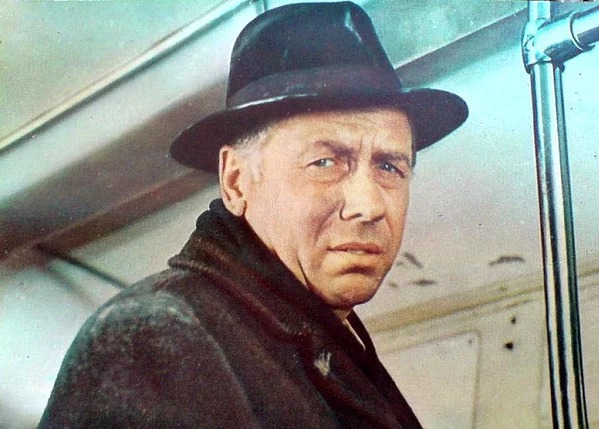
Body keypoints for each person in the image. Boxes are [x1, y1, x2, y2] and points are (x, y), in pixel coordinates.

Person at [38, 2, 467, 428]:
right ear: (236, 181)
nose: (368, 206)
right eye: (324, 162)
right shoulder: (154, 337)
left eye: (389, 167)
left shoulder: (331, 349)